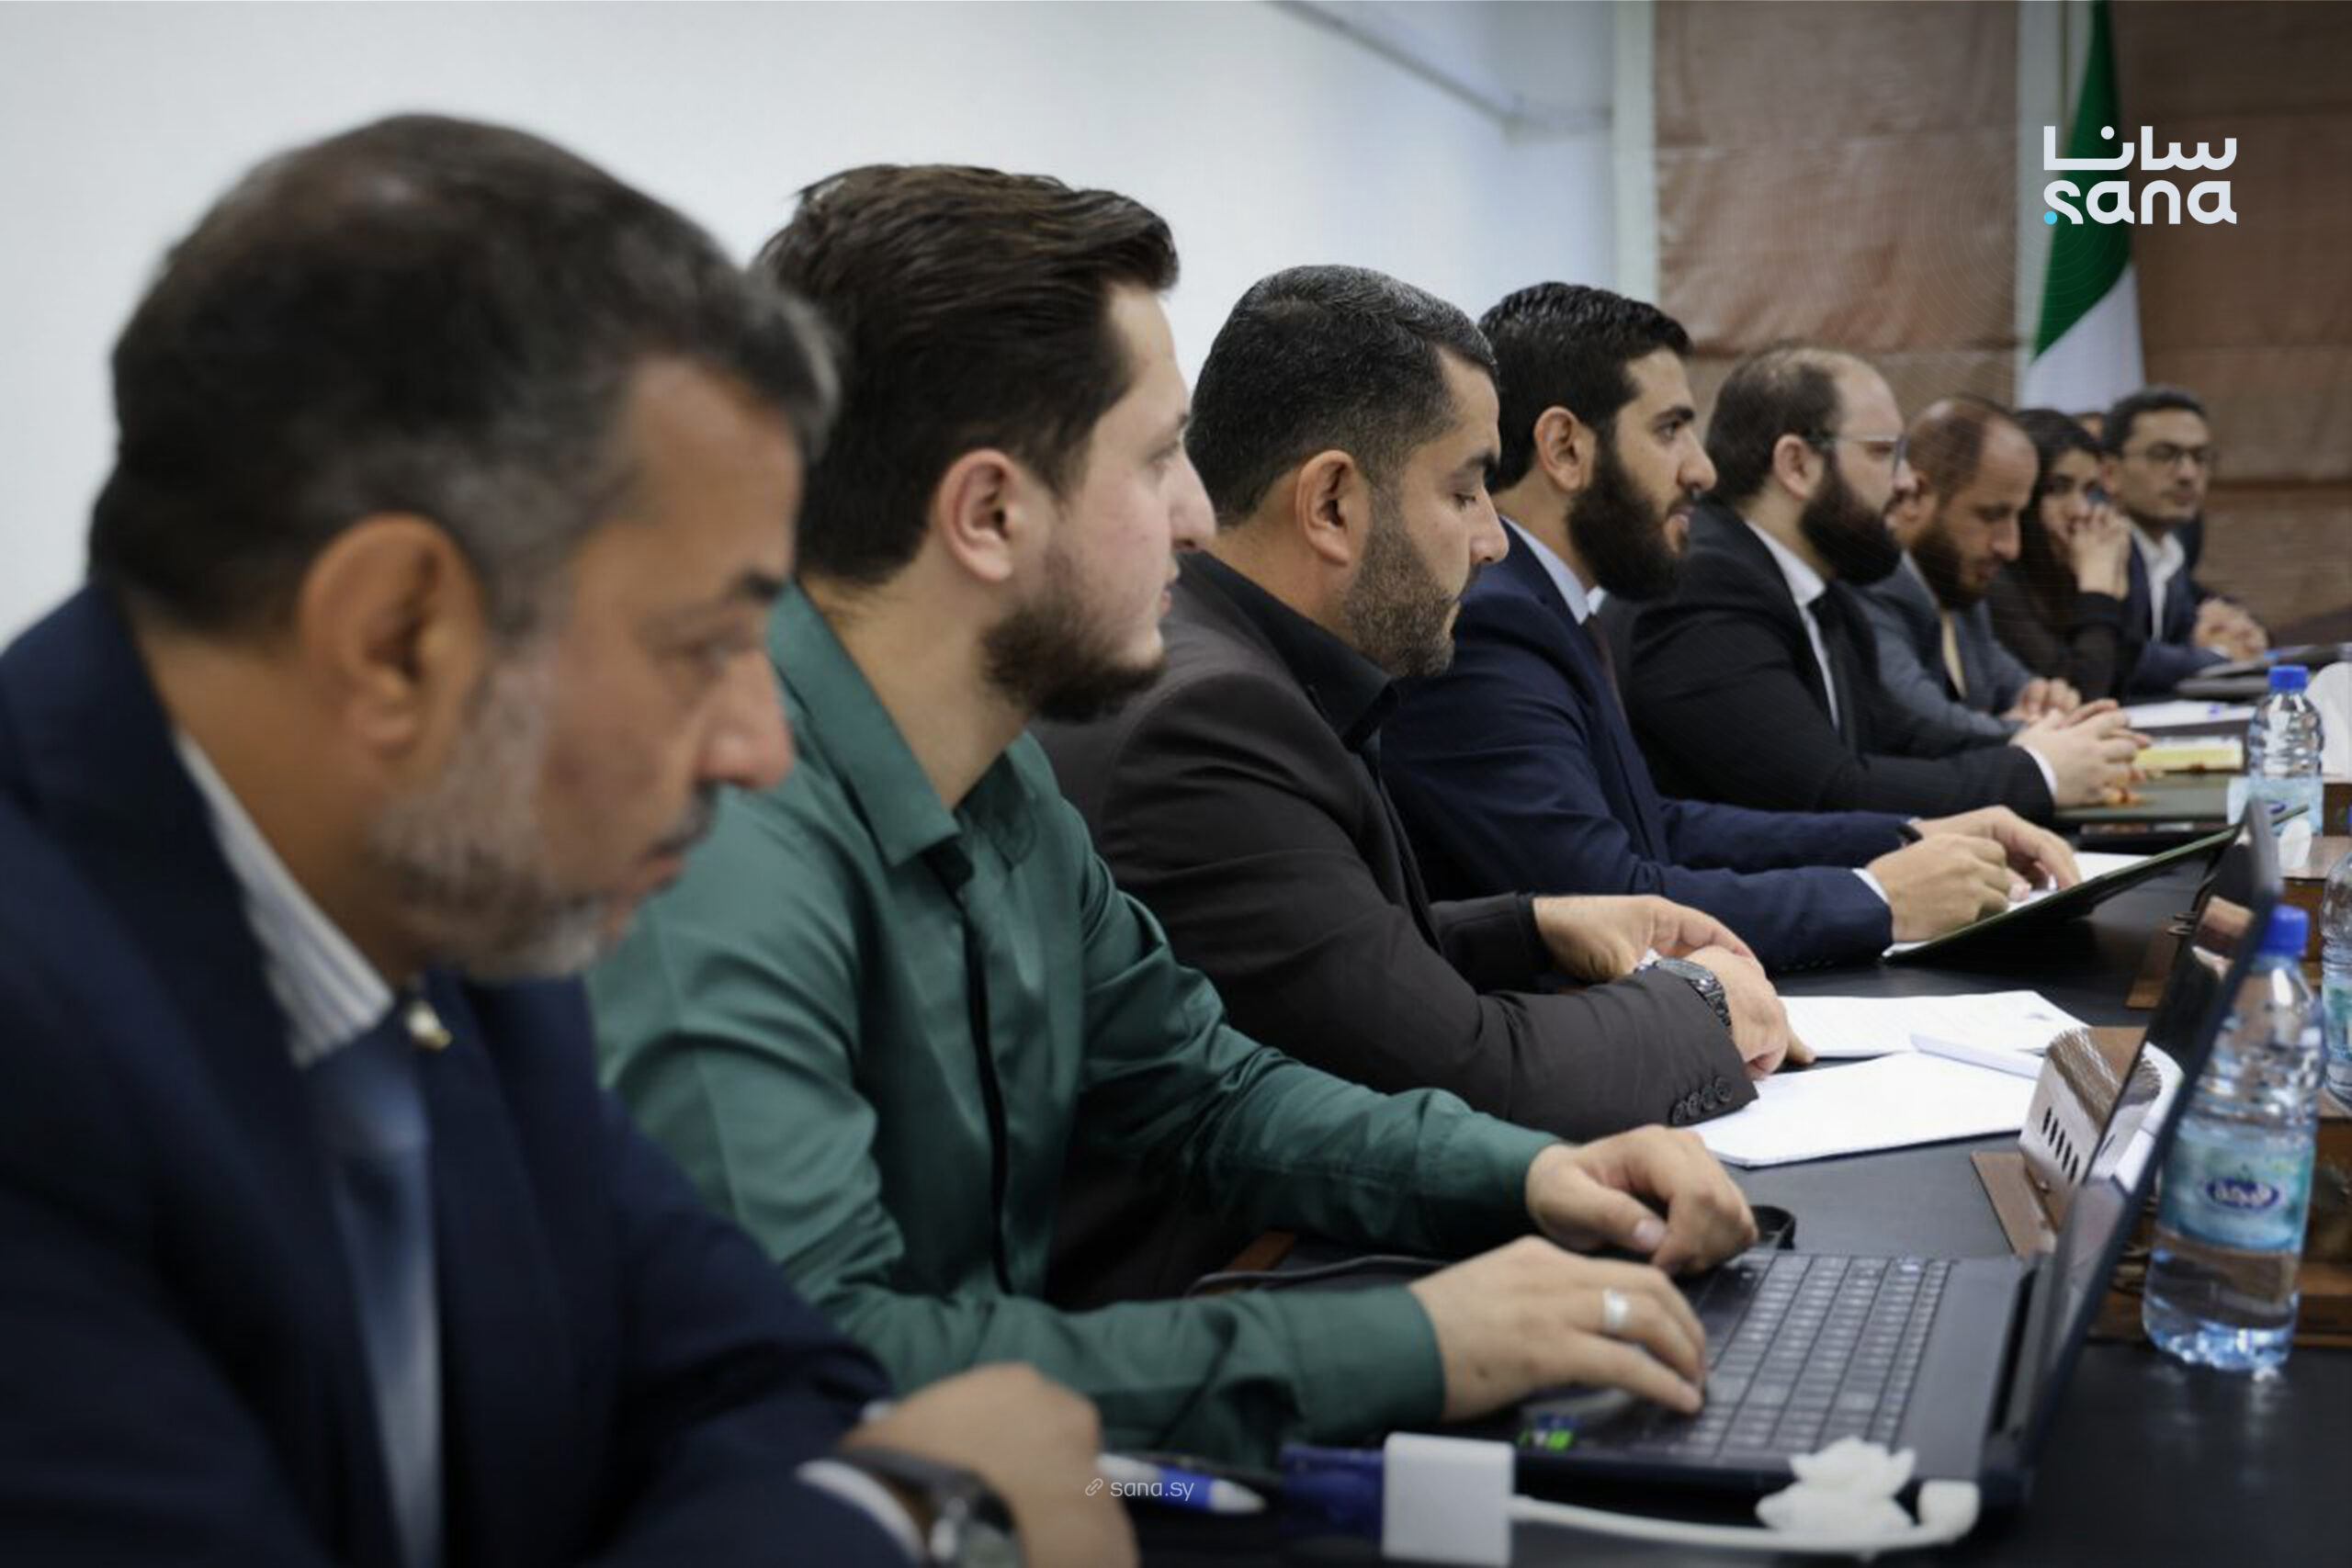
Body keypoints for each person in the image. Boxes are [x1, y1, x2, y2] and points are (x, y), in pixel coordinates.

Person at [0, 119, 1136, 1568]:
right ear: (399, 634)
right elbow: (852, 1454)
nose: (759, 743)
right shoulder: (36, 1036)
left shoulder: (455, 914)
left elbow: (768, 1376)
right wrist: (904, 1506)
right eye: (706, 644)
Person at [591, 167, 1758, 1469]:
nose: (1199, 517)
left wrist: (1528, 1174)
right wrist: (1417, 1341)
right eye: (1157, 462)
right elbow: (825, 1362)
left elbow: (1204, 1091)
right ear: (989, 514)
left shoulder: (997, 776)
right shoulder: (717, 845)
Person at [1379, 286, 2075, 975]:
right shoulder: (1492, 619)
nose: (1702, 469)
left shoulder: (1542, 604)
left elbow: (1657, 825)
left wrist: (1904, 835)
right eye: (1668, 430)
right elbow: (1605, 896)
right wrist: (1879, 898)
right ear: (1565, 448)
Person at [1620, 344, 2140, 819]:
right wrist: (2039, 772)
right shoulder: (1703, 585)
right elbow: (1826, 791)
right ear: (1797, 465)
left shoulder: (1824, 589)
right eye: (1882, 452)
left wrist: (2039, 741)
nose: (1906, 481)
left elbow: (1902, 735)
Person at [1856, 397, 2084, 740]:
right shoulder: (1871, 585)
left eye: (2017, 516)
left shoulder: (1958, 584)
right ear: (1914, 495)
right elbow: (1927, 724)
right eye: (1991, 515)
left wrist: (2047, 701)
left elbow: (2018, 688)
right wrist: (2046, 733)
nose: (2011, 547)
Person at [2105, 384, 2266, 692]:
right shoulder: (2095, 544)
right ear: (2110, 472)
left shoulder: (2172, 543)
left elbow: (2196, 615)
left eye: (2200, 456)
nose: (2187, 474)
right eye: (2164, 455)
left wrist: (2240, 629)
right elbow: (2122, 658)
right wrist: (2220, 655)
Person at [1984, 408, 2144, 702]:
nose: (2081, 511)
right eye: (2057, 489)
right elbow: (2080, 693)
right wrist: (2097, 590)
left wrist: (2116, 584)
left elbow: (2123, 680)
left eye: (2089, 491)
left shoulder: (2066, 564)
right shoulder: (1995, 577)